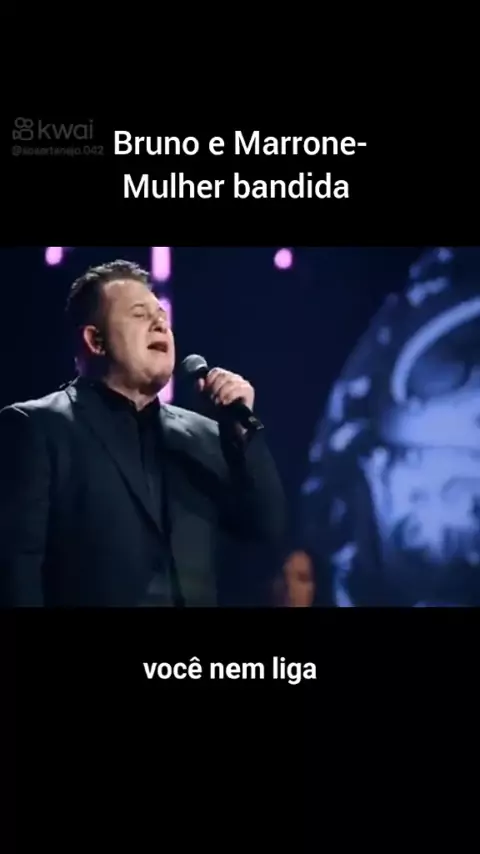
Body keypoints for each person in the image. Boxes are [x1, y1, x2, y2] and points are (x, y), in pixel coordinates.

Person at [0, 259, 286, 607]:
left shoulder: (206, 435)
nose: (160, 323)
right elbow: (16, 573)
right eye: (140, 314)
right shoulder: (38, 428)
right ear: (95, 340)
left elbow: (265, 529)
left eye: (162, 316)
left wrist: (241, 431)